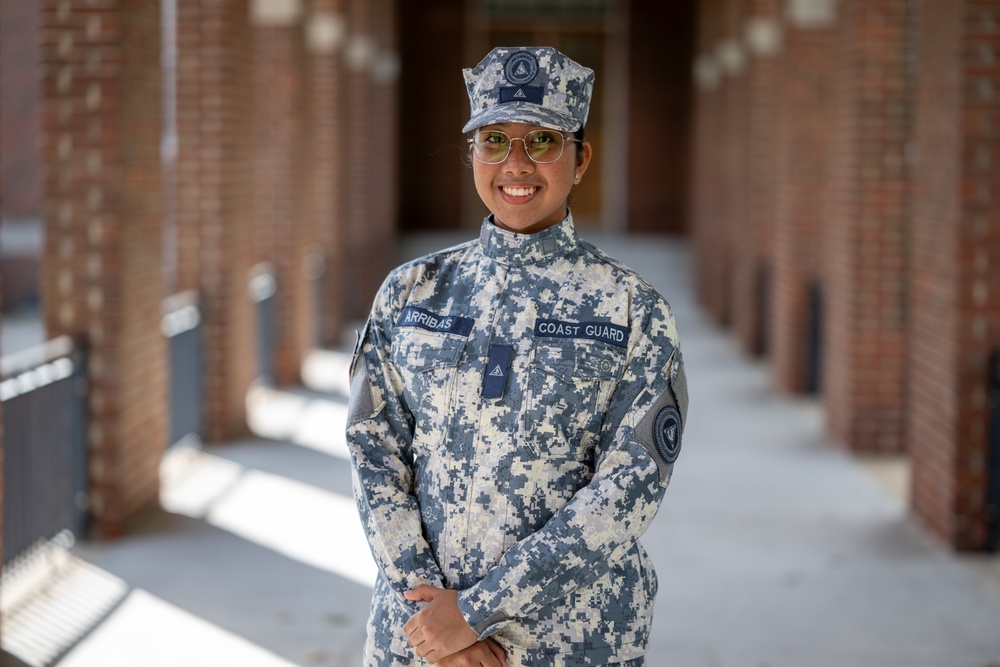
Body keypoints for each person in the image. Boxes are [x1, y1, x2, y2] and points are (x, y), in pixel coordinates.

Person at [346, 45, 688, 667]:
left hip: (572, 644)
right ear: (472, 154)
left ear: (581, 159)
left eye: (542, 142)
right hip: (419, 640)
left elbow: (629, 488)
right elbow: (374, 452)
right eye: (494, 140)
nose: (516, 164)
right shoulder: (411, 292)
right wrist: (434, 622)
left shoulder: (633, 310)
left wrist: (476, 615)